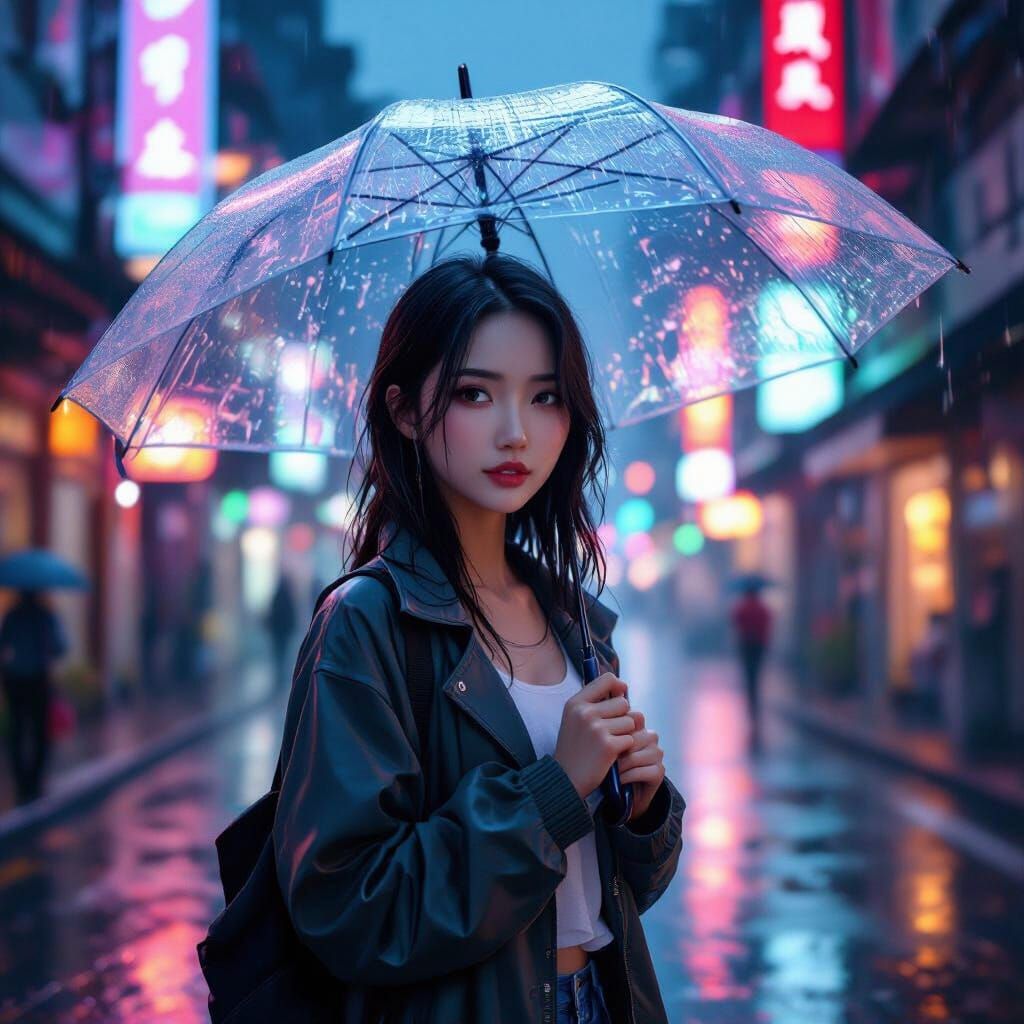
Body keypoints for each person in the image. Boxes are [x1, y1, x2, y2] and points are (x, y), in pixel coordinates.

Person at [269, 254, 686, 1023]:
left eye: (545, 397)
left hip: (606, 997)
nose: (515, 432)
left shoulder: (574, 621)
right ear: (402, 411)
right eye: (474, 393)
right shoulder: (366, 624)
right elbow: (348, 907)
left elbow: (615, 894)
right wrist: (557, 788)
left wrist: (643, 811)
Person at [0, 589, 68, 804]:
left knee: (18, 730)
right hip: (38, 679)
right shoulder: (46, 616)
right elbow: (60, 647)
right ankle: (35, 781)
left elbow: (3, 643)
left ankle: (23, 782)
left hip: (15, 678)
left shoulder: (12, 615)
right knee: (39, 731)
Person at [730, 582, 773, 739]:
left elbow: (736, 622)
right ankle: (754, 701)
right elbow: (768, 624)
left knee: (749, 675)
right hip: (758, 646)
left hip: (746, 645)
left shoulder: (742, 608)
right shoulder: (763, 609)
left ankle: (751, 701)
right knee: (756, 673)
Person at [265, 572, 298, 690]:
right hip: (284, 632)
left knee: (278, 654)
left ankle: (279, 678)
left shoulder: (277, 595)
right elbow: (291, 614)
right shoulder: (288, 596)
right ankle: (281, 678)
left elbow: (272, 613)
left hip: (278, 632)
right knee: (282, 654)